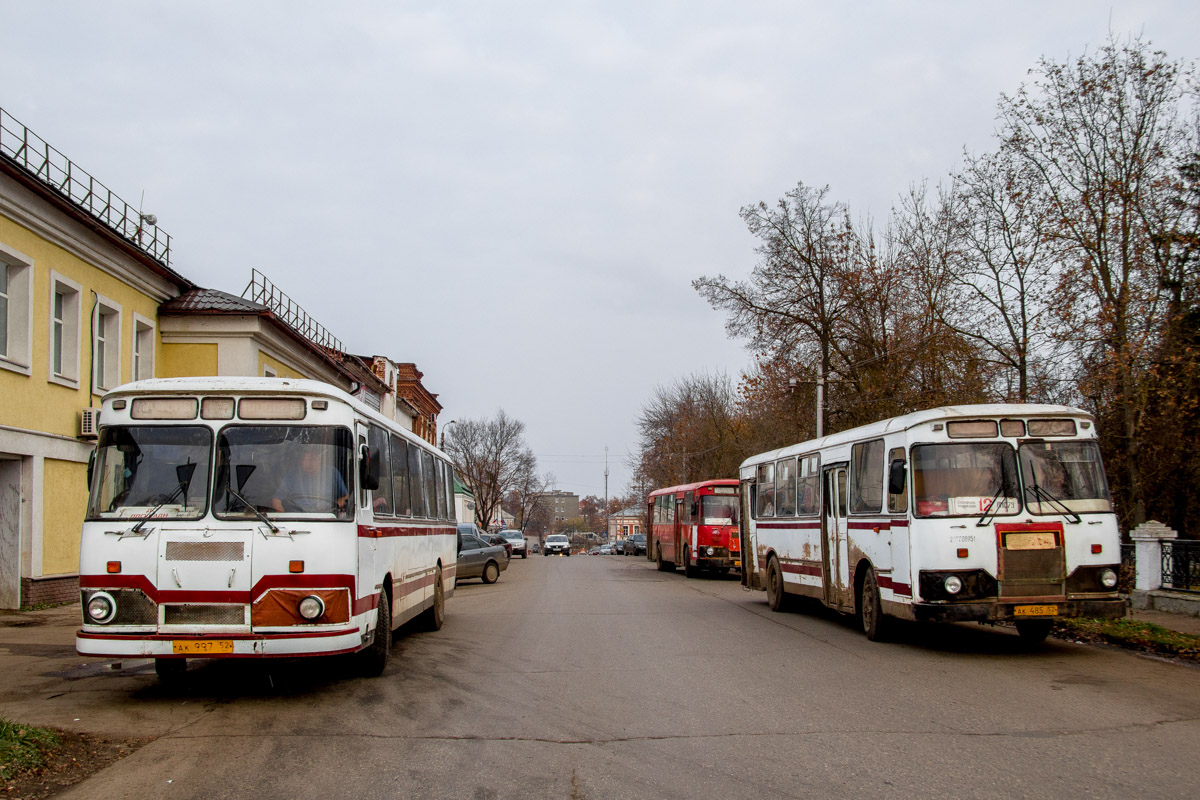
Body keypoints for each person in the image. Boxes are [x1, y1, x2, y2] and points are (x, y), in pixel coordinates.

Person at [272, 448, 348, 514]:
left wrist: (339, 505)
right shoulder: (292, 475)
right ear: (301, 462)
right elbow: (276, 499)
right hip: (297, 517)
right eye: (305, 460)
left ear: (319, 460)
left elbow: (345, 496)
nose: (309, 463)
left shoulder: (332, 472)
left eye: (312, 459)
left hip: (326, 516)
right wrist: (284, 518)